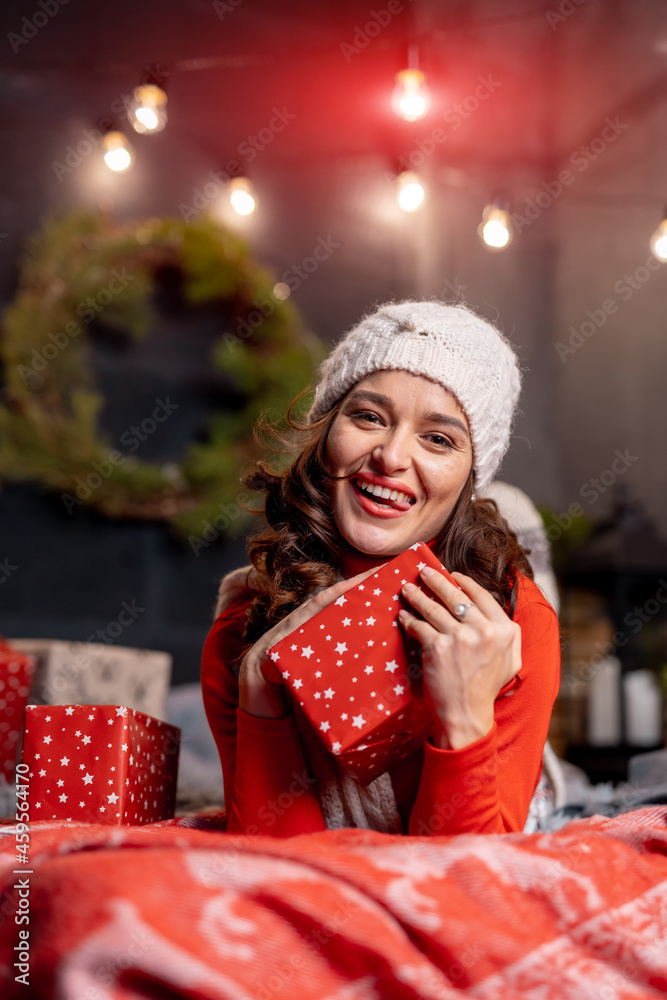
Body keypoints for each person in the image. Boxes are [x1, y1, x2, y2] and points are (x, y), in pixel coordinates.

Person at [201, 300, 561, 837]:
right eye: (368, 417)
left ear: (468, 477)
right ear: (327, 434)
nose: (391, 456)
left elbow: (472, 888)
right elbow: (277, 873)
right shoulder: (241, 631)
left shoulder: (511, 622)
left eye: (438, 439)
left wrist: (463, 714)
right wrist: (260, 687)